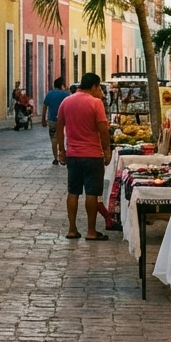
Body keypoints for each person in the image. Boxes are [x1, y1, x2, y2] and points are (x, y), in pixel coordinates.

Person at [54, 73, 111, 241]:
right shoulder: (96, 103)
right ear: (93, 86)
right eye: (99, 87)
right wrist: (107, 149)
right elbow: (103, 129)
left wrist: (61, 151)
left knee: (73, 192)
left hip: (73, 154)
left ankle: (72, 229)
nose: (100, 91)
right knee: (92, 193)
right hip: (92, 155)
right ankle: (91, 231)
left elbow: (59, 128)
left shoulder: (67, 101)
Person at [41, 77, 69, 166]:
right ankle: (64, 155)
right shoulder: (66, 94)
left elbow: (45, 107)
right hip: (64, 120)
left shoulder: (50, 94)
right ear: (62, 85)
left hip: (52, 119)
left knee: (53, 139)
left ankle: (55, 158)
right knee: (64, 137)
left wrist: (43, 119)